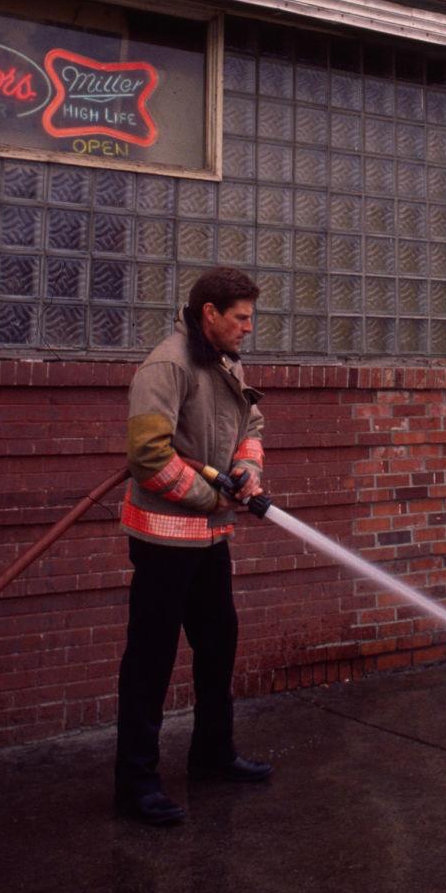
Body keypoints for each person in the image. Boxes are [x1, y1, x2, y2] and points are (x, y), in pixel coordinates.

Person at [113, 267, 272, 826]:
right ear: (210, 313)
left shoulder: (225, 363)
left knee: (218, 643)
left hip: (209, 542)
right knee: (150, 661)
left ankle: (211, 754)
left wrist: (246, 471)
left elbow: (250, 420)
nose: (249, 328)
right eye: (241, 317)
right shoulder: (167, 365)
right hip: (162, 542)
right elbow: (149, 457)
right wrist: (214, 499)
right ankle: (135, 784)